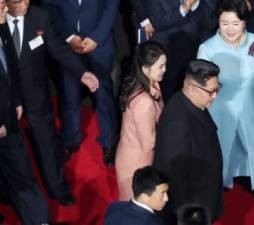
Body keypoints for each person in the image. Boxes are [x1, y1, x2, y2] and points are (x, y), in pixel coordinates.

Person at [5, 0, 99, 206]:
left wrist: (82, 73)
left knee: (47, 144)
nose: (25, 3)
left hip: (36, 96)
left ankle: (58, 189)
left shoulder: (41, 17)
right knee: (9, 149)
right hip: (5, 99)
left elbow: (59, 50)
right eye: (18, 0)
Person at [197, 1, 254, 224]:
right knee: (216, 168)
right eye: (224, 23)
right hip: (219, 118)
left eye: (235, 22)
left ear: (245, 22)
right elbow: (199, 90)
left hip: (251, 116)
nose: (230, 28)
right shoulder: (208, 48)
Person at [41, 0, 119, 165]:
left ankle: (109, 142)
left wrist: (96, 38)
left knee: (103, 95)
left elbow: (111, 6)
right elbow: (50, 5)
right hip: (68, 47)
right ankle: (70, 140)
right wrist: (69, 36)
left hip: (100, 45)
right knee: (69, 95)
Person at [153, 59, 223, 225]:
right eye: (211, 91)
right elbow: (176, 177)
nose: (215, 96)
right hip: (193, 209)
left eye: (217, 89)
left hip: (203, 196)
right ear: (192, 88)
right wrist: (189, 218)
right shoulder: (177, 123)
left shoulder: (193, 104)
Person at [0, 1, 51, 224]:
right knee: (20, 175)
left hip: (8, 115)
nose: (5, 10)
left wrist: (17, 100)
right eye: (1, 5)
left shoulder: (1, 27)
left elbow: (8, 67)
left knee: (20, 172)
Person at [116, 41, 167, 201]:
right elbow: (148, 143)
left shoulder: (148, 83)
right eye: (160, 66)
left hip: (132, 155)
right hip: (136, 163)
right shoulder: (144, 102)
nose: (165, 69)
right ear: (145, 68)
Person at [146, 0, 217, 102]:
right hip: (166, 54)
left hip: (194, 53)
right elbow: (155, 21)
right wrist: (183, 9)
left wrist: (195, 5)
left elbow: (211, 21)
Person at [104, 166, 169, 225]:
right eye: (162, 193)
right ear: (144, 197)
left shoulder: (114, 207)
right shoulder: (153, 222)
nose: (166, 198)